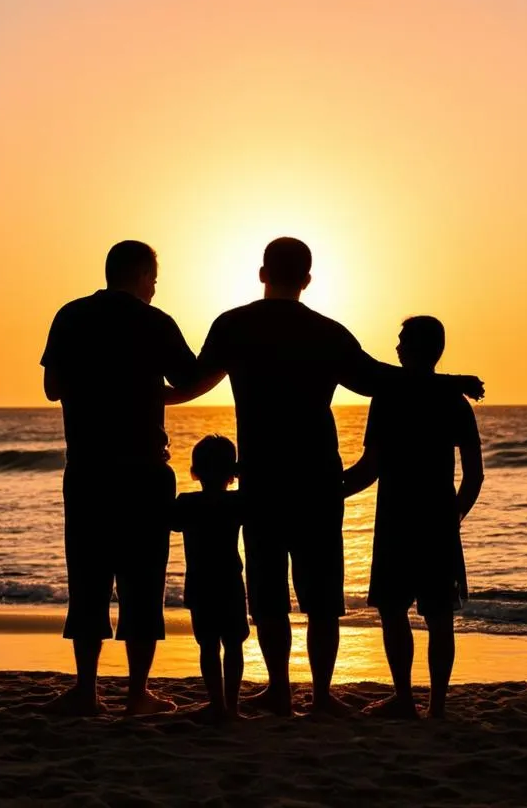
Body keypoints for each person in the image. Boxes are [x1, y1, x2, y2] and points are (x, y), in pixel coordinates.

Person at [165, 237, 484, 716]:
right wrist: (449, 383)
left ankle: (278, 689)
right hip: (317, 478)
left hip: (263, 478)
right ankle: (318, 696)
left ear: (261, 273)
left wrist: (136, 396)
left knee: (268, 593)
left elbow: (189, 383)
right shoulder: (327, 332)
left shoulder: (233, 325)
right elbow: (382, 377)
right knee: (321, 598)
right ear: (307, 280)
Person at [40, 240, 199, 716]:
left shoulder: (71, 315)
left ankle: (86, 690)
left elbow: (51, 388)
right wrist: (151, 397)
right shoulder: (155, 322)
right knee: (142, 582)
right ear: (140, 275)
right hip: (143, 471)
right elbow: (191, 380)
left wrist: (99, 391)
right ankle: (136, 694)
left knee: (87, 579)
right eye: (153, 277)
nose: (154, 286)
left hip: (87, 469)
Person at [342, 315, 484, 719]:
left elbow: (370, 467)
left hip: (397, 517)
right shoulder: (454, 402)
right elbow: (473, 475)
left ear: (418, 346)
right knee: (438, 614)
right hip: (437, 517)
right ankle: (436, 706)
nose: (397, 347)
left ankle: (405, 698)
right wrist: (454, 514)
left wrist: (333, 489)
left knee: (394, 609)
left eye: (403, 340)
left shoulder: (387, 398)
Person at [171, 434, 249, 722]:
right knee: (234, 644)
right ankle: (232, 706)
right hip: (230, 582)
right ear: (232, 474)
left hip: (200, 583)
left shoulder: (186, 503)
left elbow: (167, 521)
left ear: (195, 471)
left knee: (208, 645)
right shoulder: (238, 502)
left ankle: (217, 703)